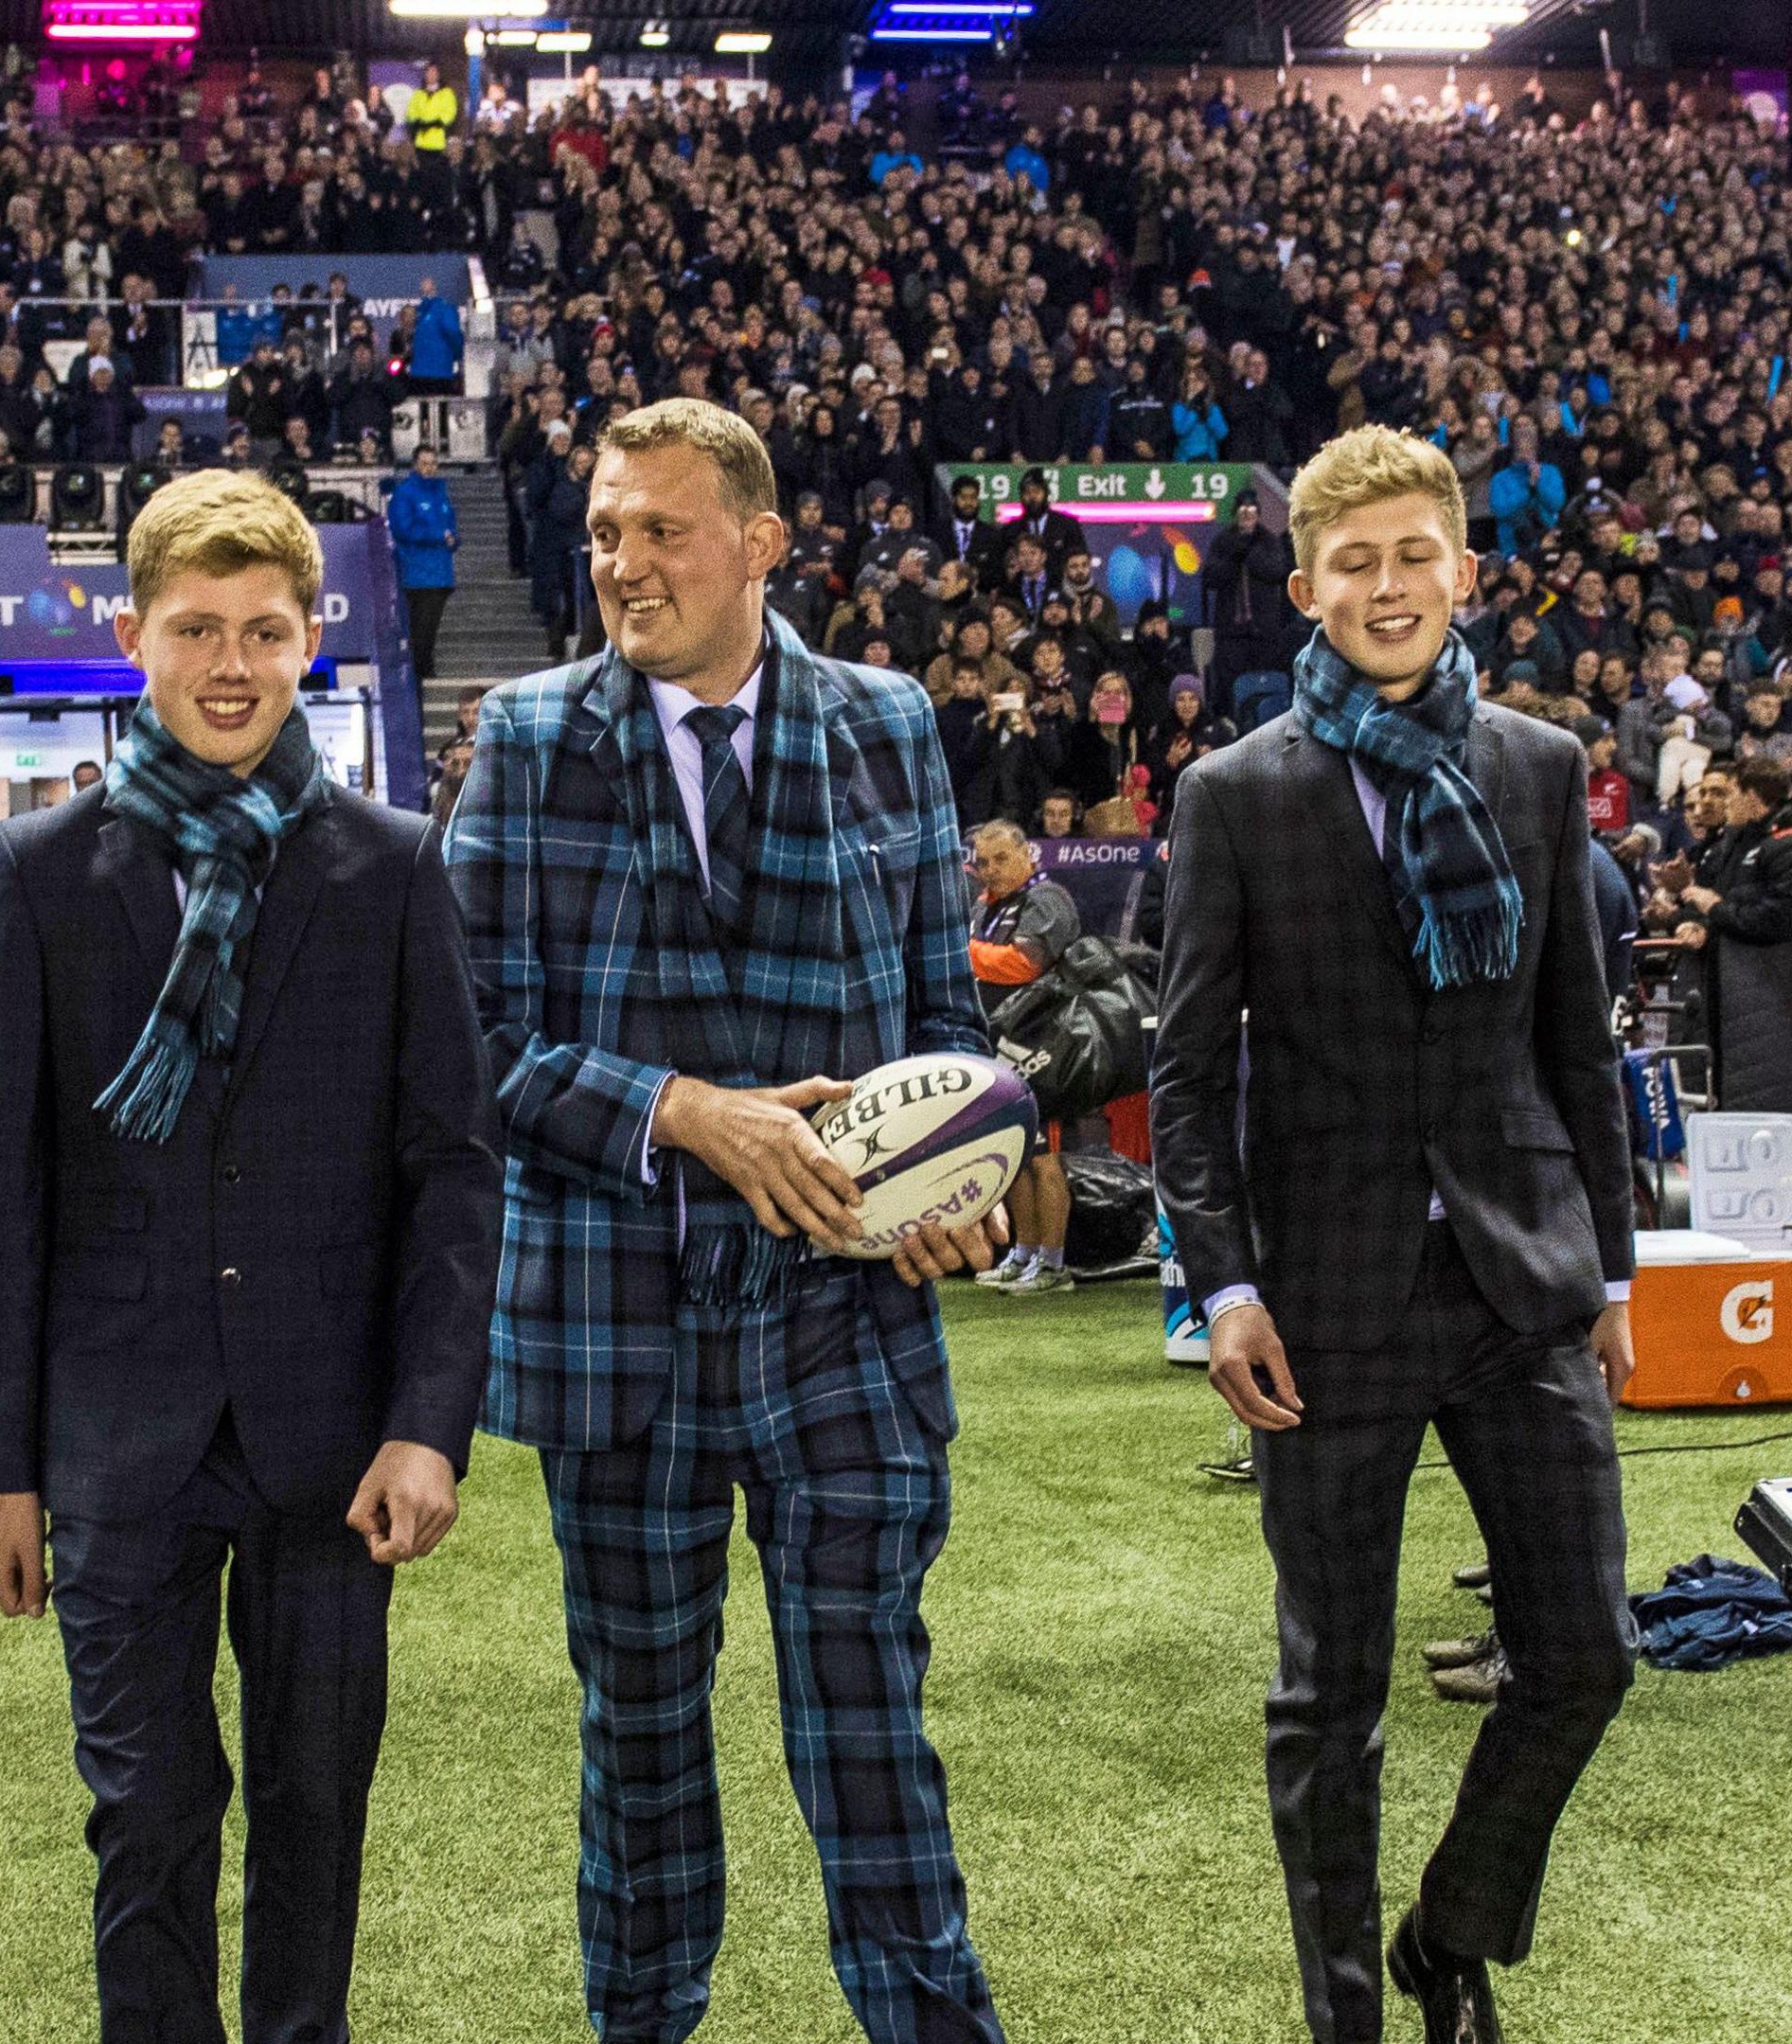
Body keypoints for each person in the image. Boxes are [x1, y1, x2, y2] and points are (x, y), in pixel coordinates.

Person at [444, 400, 1011, 2044]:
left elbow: (936, 1020)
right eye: (606, 530)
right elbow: (467, 1043)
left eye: (662, 529)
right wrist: (680, 1111)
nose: (623, 561)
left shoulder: (892, 720)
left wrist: (953, 1172)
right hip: (619, 1334)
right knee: (640, 1741)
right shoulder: (532, 735)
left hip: (848, 1321)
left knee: (869, 1727)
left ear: (763, 541)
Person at [0, 466, 497, 2043]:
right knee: (145, 1816)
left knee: (316, 1815)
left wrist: (428, 1418)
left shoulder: (394, 863)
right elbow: (7, 1192)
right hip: (116, 1436)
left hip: (333, 1433)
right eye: (196, 626)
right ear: (131, 634)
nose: (230, 661)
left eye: (265, 628)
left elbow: (451, 1168)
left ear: (312, 637)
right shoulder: (44, 874)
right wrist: (5, 1464)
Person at [1145, 427, 1635, 2044]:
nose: (1387, 583)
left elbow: (1582, 1040)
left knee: (1584, 1656)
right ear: (1306, 589)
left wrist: (1614, 1266)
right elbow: (1188, 1072)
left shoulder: (1542, 769)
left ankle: (1450, 1934)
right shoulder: (1234, 795)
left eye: (1414, 553)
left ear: (1464, 572)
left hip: (1521, 1280)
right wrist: (1220, 1284)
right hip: (1323, 1298)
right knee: (1330, 1696)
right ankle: (1350, 2012)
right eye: (1353, 561)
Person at [1650, 752, 1792, 1145]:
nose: (1722, 804)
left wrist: (1708, 905)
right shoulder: (1738, 844)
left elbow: (1772, 920)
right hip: (1734, 1001)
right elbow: (1718, 903)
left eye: (1731, 794)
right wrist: (1690, 915)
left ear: (1755, 798)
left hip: (1777, 1002)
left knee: (1771, 1116)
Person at [967, 818, 1080, 1296]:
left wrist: (962, 951)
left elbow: (1025, 962)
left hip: (1043, 1045)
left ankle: (1054, 1266)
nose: (990, 869)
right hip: (1001, 1043)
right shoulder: (986, 907)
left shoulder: (1047, 897)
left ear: (1027, 855)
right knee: (1015, 1153)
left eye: (1001, 859)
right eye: (982, 861)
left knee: (1046, 1156)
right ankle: (1024, 1253)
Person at [386, 440, 457, 684]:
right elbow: (402, 529)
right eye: (424, 463)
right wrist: (439, 537)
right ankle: (419, 672)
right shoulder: (405, 492)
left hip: (441, 571)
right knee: (421, 628)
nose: (429, 468)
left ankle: (423, 668)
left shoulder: (440, 491)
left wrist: (453, 538)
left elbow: (451, 523)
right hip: (418, 573)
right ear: (415, 465)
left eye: (433, 463)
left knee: (430, 626)